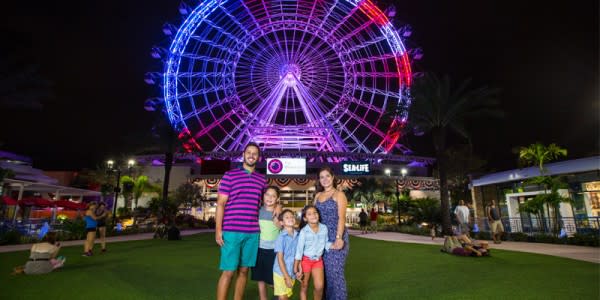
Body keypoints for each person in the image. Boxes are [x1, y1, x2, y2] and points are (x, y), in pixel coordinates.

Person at [215, 142, 268, 300]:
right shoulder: (229, 175)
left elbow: (266, 203)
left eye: (255, 153)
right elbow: (221, 203)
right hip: (231, 231)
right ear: (243, 154)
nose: (251, 155)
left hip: (252, 232)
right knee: (229, 271)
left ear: (258, 158)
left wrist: (278, 208)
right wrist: (218, 230)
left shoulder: (262, 180)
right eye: (248, 152)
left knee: (244, 271)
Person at [314, 166, 349, 300]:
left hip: (336, 237)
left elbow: (341, 218)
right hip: (321, 239)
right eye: (322, 177)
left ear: (333, 177)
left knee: (335, 273)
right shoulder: (317, 196)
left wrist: (339, 238)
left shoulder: (339, 195)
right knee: (323, 275)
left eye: (327, 176)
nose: (325, 179)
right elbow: (313, 217)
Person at [251, 186, 282, 300]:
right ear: (263, 196)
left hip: (273, 251)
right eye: (267, 194)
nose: (270, 198)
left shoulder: (279, 212)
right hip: (258, 249)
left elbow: (283, 228)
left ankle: (279, 296)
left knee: (273, 280)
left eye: (273, 196)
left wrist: (278, 219)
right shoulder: (257, 211)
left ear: (277, 199)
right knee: (260, 278)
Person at [294, 205, 331, 300]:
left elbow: (326, 243)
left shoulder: (324, 228)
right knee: (304, 286)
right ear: (305, 218)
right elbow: (299, 250)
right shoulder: (304, 231)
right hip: (305, 261)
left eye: (315, 212)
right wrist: (296, 267)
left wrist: (333, 245)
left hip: (318, 261)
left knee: (319, 287)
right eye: (309, 214)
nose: (313, 215)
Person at [273, 209, 300, 300]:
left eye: (292, 216)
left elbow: (298, 255)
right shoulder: (281, 238)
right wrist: (287, 277)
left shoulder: (298, 236)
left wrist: (299, 270)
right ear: (281, 222)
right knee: (283, 297)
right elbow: (280, 259)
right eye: (287, 217)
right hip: (281, 273)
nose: (290, 218)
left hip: (292, 272)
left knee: (286, 296)